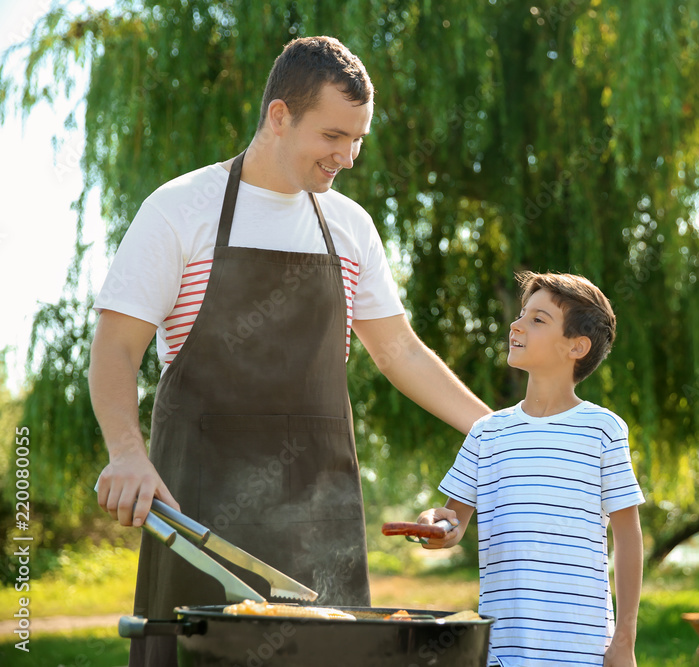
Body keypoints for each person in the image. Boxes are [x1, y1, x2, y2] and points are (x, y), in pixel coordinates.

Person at [89, 36, 491, 667]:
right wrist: (126, 454)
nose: (348, 157)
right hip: (198, 511)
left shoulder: (351, 225)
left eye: (358, 139)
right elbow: (115, 348)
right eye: (334, 136)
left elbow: (399, 353)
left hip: (320, 510)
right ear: (279, 116)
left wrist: (498, 435)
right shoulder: (179, 209)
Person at [418, 271, 645, 667]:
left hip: (584, 650)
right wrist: (433, 526)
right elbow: (453, 522)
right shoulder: (486, 433)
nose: (516, 324)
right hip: (502, 651)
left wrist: (623, 642)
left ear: (576, 347)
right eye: (522, 314)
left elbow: (628, 538)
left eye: (537, 319)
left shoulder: (604, 430)